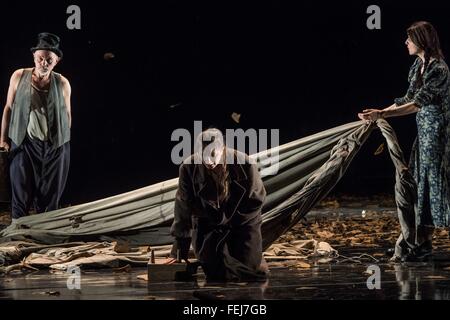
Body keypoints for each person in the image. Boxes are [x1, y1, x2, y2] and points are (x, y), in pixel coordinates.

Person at [358, 21, 450, 261]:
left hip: (438, 137)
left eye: (410, 38)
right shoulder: (418, 66)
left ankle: (423, 244)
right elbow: (407, 99)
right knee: (419, 187)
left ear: (422, 40)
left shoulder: (438, 69)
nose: (405, 42)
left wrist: (383, 115)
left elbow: (417, 104)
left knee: (431, 188)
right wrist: (379, 111)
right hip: (425, 136)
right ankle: (418, 243)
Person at [166, 128, 268, 282]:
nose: (208, 161)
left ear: (223, 149)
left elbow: (255, 201)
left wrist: (229, 221)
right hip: (207, 224)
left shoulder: (245, 164)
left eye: (213, 154)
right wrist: (179, 250)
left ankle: (256, 260)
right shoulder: (188, 167)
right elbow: (183, 206)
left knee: (247, 272)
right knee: (216, 274)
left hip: (242, 223)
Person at [0, 32, 71, 221]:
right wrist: (3, 139)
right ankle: (19, 233)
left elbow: (67, 115)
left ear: (56, 61)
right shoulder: (18, 76)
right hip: (24, 141)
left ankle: (44, 235)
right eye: (40, 58)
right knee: (21, 189)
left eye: (49, 59)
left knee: (50, 195)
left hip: (54, 145)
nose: (44, 63)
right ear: (34, 57)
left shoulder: (62, 83)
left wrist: (61, 142)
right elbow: (8, 108)